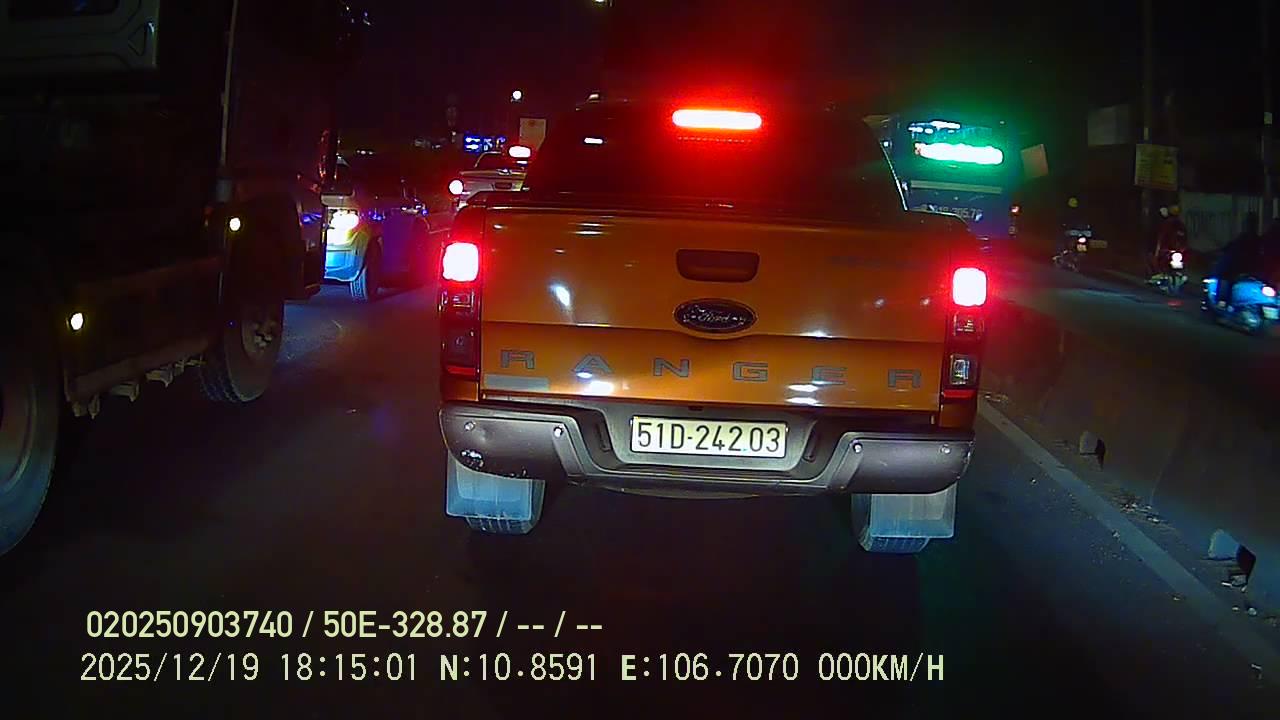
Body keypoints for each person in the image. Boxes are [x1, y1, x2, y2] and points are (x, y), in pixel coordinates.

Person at [1214, 213, 1261, 308]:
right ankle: (1223, 302)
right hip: (1245, 270)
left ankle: (1223, 302)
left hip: (1246, 271)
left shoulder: (1252, 240)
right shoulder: (1249, 239)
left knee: (1226, 277)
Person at [1152, 205, 1188, 275]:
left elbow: (1184, 238)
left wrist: (1182, 249)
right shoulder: (1167, 224)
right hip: (1167, 251)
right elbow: (1161, 238)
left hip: (1176, 251)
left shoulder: (1180, 225)